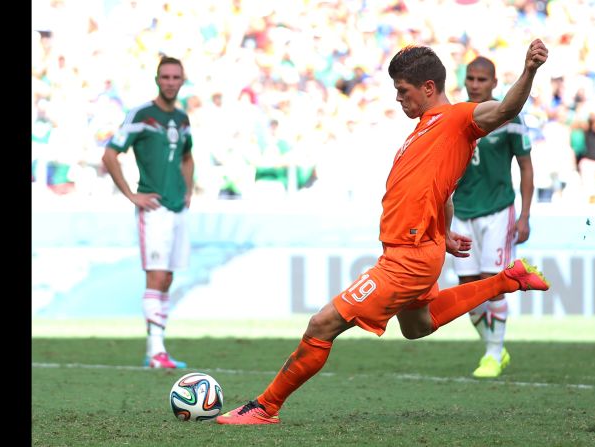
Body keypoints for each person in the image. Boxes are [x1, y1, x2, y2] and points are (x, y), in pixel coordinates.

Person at [217, 39, 549, 425]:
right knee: (417, 326)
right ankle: (507, 280)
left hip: (408, 258)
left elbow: (507, 108)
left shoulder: (459, 118)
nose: (398, 99)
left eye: (403, 91)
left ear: (428, 88)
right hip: (416, 248)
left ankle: (265, 406)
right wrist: (444, 231)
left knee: (323, 324)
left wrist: (529, 70)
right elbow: (441, 188)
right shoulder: (424, 130)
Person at [101, 56, 194, 369]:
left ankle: (159, 349)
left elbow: (187, 156)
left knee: (167, 276)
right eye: (165, 77)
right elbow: (110, 153)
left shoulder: (182, 119)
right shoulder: (142, 114)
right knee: (155, 275)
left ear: (182, 81)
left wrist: (189, 190)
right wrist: (131, 195)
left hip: (177, 207)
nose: (170, 82)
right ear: (157, 80)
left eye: (175, 77)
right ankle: (155, 350)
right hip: (153, 209)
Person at [451, 56, 534, 378]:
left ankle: (493, 353)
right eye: (470, 78)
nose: (475, 84)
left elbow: (526, 166)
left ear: (494, 83)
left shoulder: (510, 117)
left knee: (493, 284)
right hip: (461, 212)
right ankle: (494, 346)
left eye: (481, 79)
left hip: (498, 210)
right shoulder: (457, 116)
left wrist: (524, 216)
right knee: (466, 289)